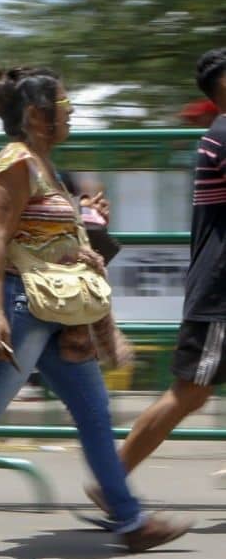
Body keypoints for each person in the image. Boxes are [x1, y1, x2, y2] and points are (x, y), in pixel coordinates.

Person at [0, 66, 191, 555]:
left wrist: (90, 219)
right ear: (37, 115)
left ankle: (129, 520)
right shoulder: (14, 164)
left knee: (95, 414)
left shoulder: (45, 166)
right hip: (21, 305)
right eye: (63, 104)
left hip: (59, 312)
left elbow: (51, 238)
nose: (71, 111)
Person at [87, 48, 226, 499]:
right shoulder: (225, 133)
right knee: (191, 392)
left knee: (193, 391)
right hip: (221, 294)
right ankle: (112, 482)